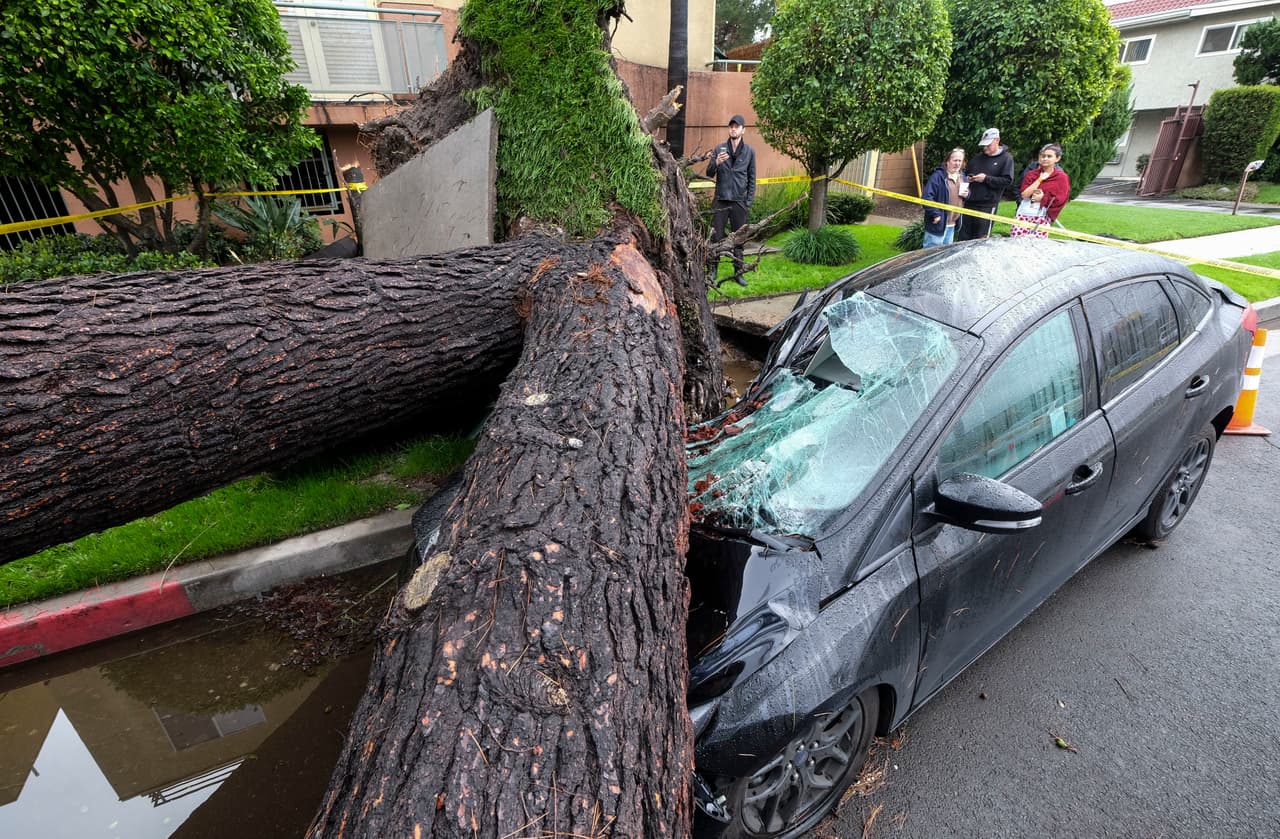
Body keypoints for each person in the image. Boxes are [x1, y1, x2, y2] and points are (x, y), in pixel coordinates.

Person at [706, 114, 756, 286]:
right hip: (721, 200)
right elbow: (709, 173)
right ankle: (713, 270)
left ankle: (738, 272)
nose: (733, 129)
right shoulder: (720, 149)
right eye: (731, 126)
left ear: (743, 130)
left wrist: (748, 202)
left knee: (739, 239)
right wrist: (716, 163)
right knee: (716, 237)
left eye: (737, 126)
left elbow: (752, 178)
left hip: (739, 203)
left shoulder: (749, 152)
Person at [956, 127, 1014, 241]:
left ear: (997, 140)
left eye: (988, 145)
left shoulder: (1006, 159)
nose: (985, 147)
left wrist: (986, 179)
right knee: (963, 238)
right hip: (969, 203)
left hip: (987, 206)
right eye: (984, 145)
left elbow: (1007, 181)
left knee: (981, 241)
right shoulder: (977, 158)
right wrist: (969, 178)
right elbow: (966, 173)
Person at [1010, 143, 1070, 239]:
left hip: (1042, 217)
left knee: (1037, 245)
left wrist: (1043, 198)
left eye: (1049, 156)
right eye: (1043, 156)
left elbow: (1061, 199)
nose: (1045, 158)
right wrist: (1039, 179)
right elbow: (1024, 195)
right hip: (1023, 214)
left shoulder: (1061, 177)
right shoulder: (1031, 174)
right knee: (1017, 243)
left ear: (1057, 158)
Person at [922, 148, 968, 247]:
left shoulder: (962, 177)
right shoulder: (938, 177)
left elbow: (967, 193)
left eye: (960, 161)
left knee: (945, 254)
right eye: (955, 160)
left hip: (952, 224)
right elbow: (926, 197)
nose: (957, 163)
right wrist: (935, 214)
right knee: (931, 254)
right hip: (938, 224)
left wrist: (967, 194)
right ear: (947, 161)